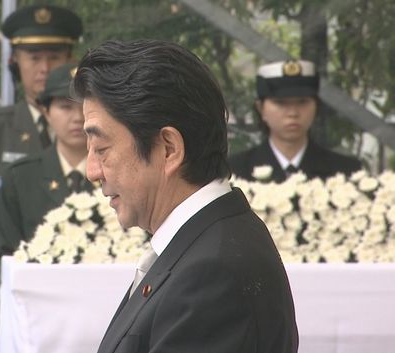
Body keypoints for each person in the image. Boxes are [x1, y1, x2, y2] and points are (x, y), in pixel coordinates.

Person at [73, 39, 298, 353]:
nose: (92, 171)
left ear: (168, 149)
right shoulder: (205, 243)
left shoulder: (212, 275)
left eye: (101, 149)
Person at [0, 3, 82, 331]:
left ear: (70, 60)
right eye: (33, 58)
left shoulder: (92, 127)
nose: (43, 68)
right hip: (8, 288)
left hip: (80, 285)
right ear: (15, 61)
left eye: (53, 57)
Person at [0, 63, 92, 279]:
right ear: (46, 111)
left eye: (85, 106)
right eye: (65, 106)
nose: (78, 117)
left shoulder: (120, 174)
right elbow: (1, 258)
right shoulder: (20, 178)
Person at [229, 59, 362, 182]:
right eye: (281, 103)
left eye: (302, 102)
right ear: (260, 108)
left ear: (316, 106)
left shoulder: (345, 172)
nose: (293, 113)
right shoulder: (235, 172)